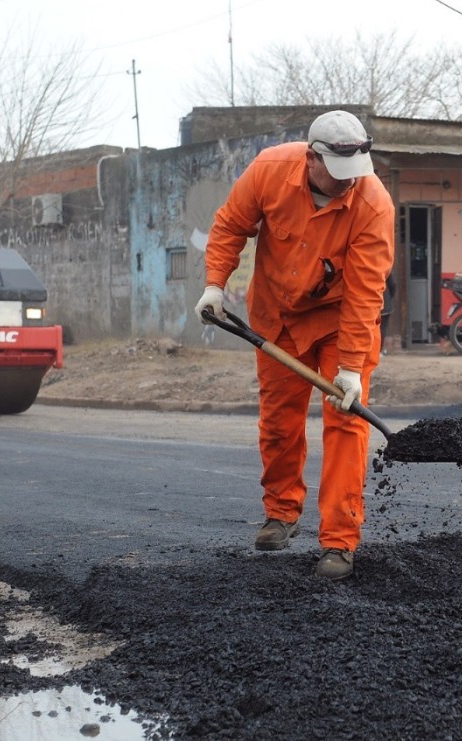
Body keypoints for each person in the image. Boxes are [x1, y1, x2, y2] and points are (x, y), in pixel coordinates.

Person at [196, 110, 394, 580]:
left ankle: (339, 542)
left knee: (345, 424)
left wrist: (349, 369)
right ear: (311, 158)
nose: (348, 183)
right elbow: (229, 227)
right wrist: (214, 285)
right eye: (338, 174)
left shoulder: (373, 205)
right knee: (279, 422)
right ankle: (282, 511)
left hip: (338, 324)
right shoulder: (268, 170)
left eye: (355, 175)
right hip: (278, 319)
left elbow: (366, 294)